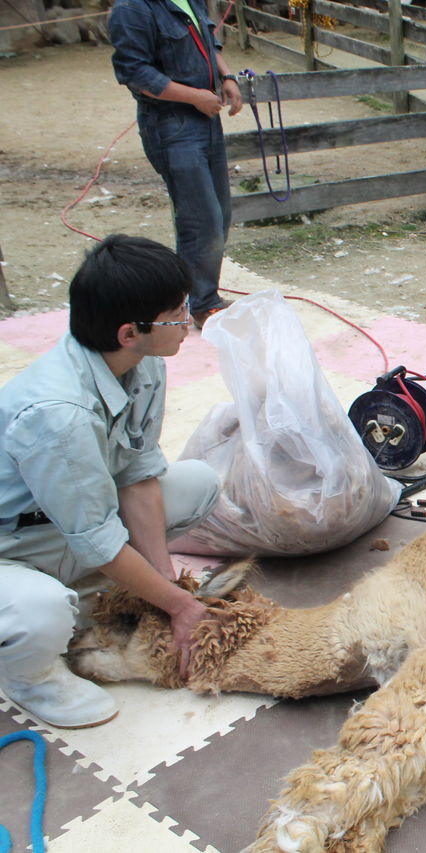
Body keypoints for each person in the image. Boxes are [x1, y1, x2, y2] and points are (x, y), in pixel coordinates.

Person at [0, 236, 219, 729]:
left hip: (60, 526)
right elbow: (97, 540)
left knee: (198, 484)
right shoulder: (60, 415)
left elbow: (137, 476)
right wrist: (183, 608)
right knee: (41, 613)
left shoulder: (145, 362)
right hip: (10, 544)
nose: (188, 323)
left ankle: (92, 589)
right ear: (129, 332)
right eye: (177, 315)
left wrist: (166, 586)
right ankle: (28, 675)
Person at [110, 0, 241, 329]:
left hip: (205, 119)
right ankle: (201, 304)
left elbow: (207, 39)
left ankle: (201, 297)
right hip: (171, 124)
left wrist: (227, 76)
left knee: (219, 215)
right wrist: (194, 96)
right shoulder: (132, 8)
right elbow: (135, 73)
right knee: (201, 220)